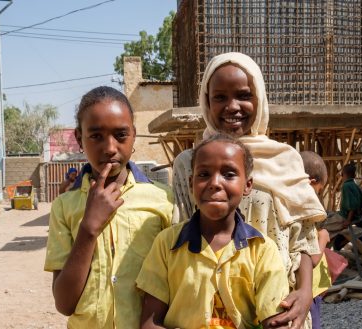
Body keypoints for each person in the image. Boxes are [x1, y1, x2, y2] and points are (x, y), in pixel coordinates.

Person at [172, 52, 326, 329]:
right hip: (211, 310)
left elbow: (303, 239)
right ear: (206, 103)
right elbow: (180, 231)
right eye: (219, 97)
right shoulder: (189, 164)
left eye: (244, 95)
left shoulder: (285, 160)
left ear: (260, 99)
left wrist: (304, 293)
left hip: (278, 308)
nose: (232, 106)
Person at [43, 86, 174, 329]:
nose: (110, 147)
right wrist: (89, 228)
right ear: (79, 138)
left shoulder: (163, 200)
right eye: (96, 136)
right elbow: (64, 303)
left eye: (121, 135)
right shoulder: (64, 206)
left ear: (134, 135)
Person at [138, 134, 289, 329]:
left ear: (247, 186)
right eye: (204, 174)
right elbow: (150, 323)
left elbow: (275, 323)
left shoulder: (262, 250)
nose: (215, 183)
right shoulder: (167, 244)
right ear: (192, 183)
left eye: (229, 174)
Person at [300, 151, 332, 329]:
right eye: (319, 190)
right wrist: (323, 238)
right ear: (311, 183)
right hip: (308, 288)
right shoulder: (307, 211)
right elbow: (312, 259)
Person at [328, 163, 362, 250]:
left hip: (346, 216)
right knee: (329, 216)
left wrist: (348, 220)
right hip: (354, 215)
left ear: (343, 174)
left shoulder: (346, 186)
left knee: (324, 227)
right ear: (355, 175)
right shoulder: (354, 185)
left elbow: (353, 205)